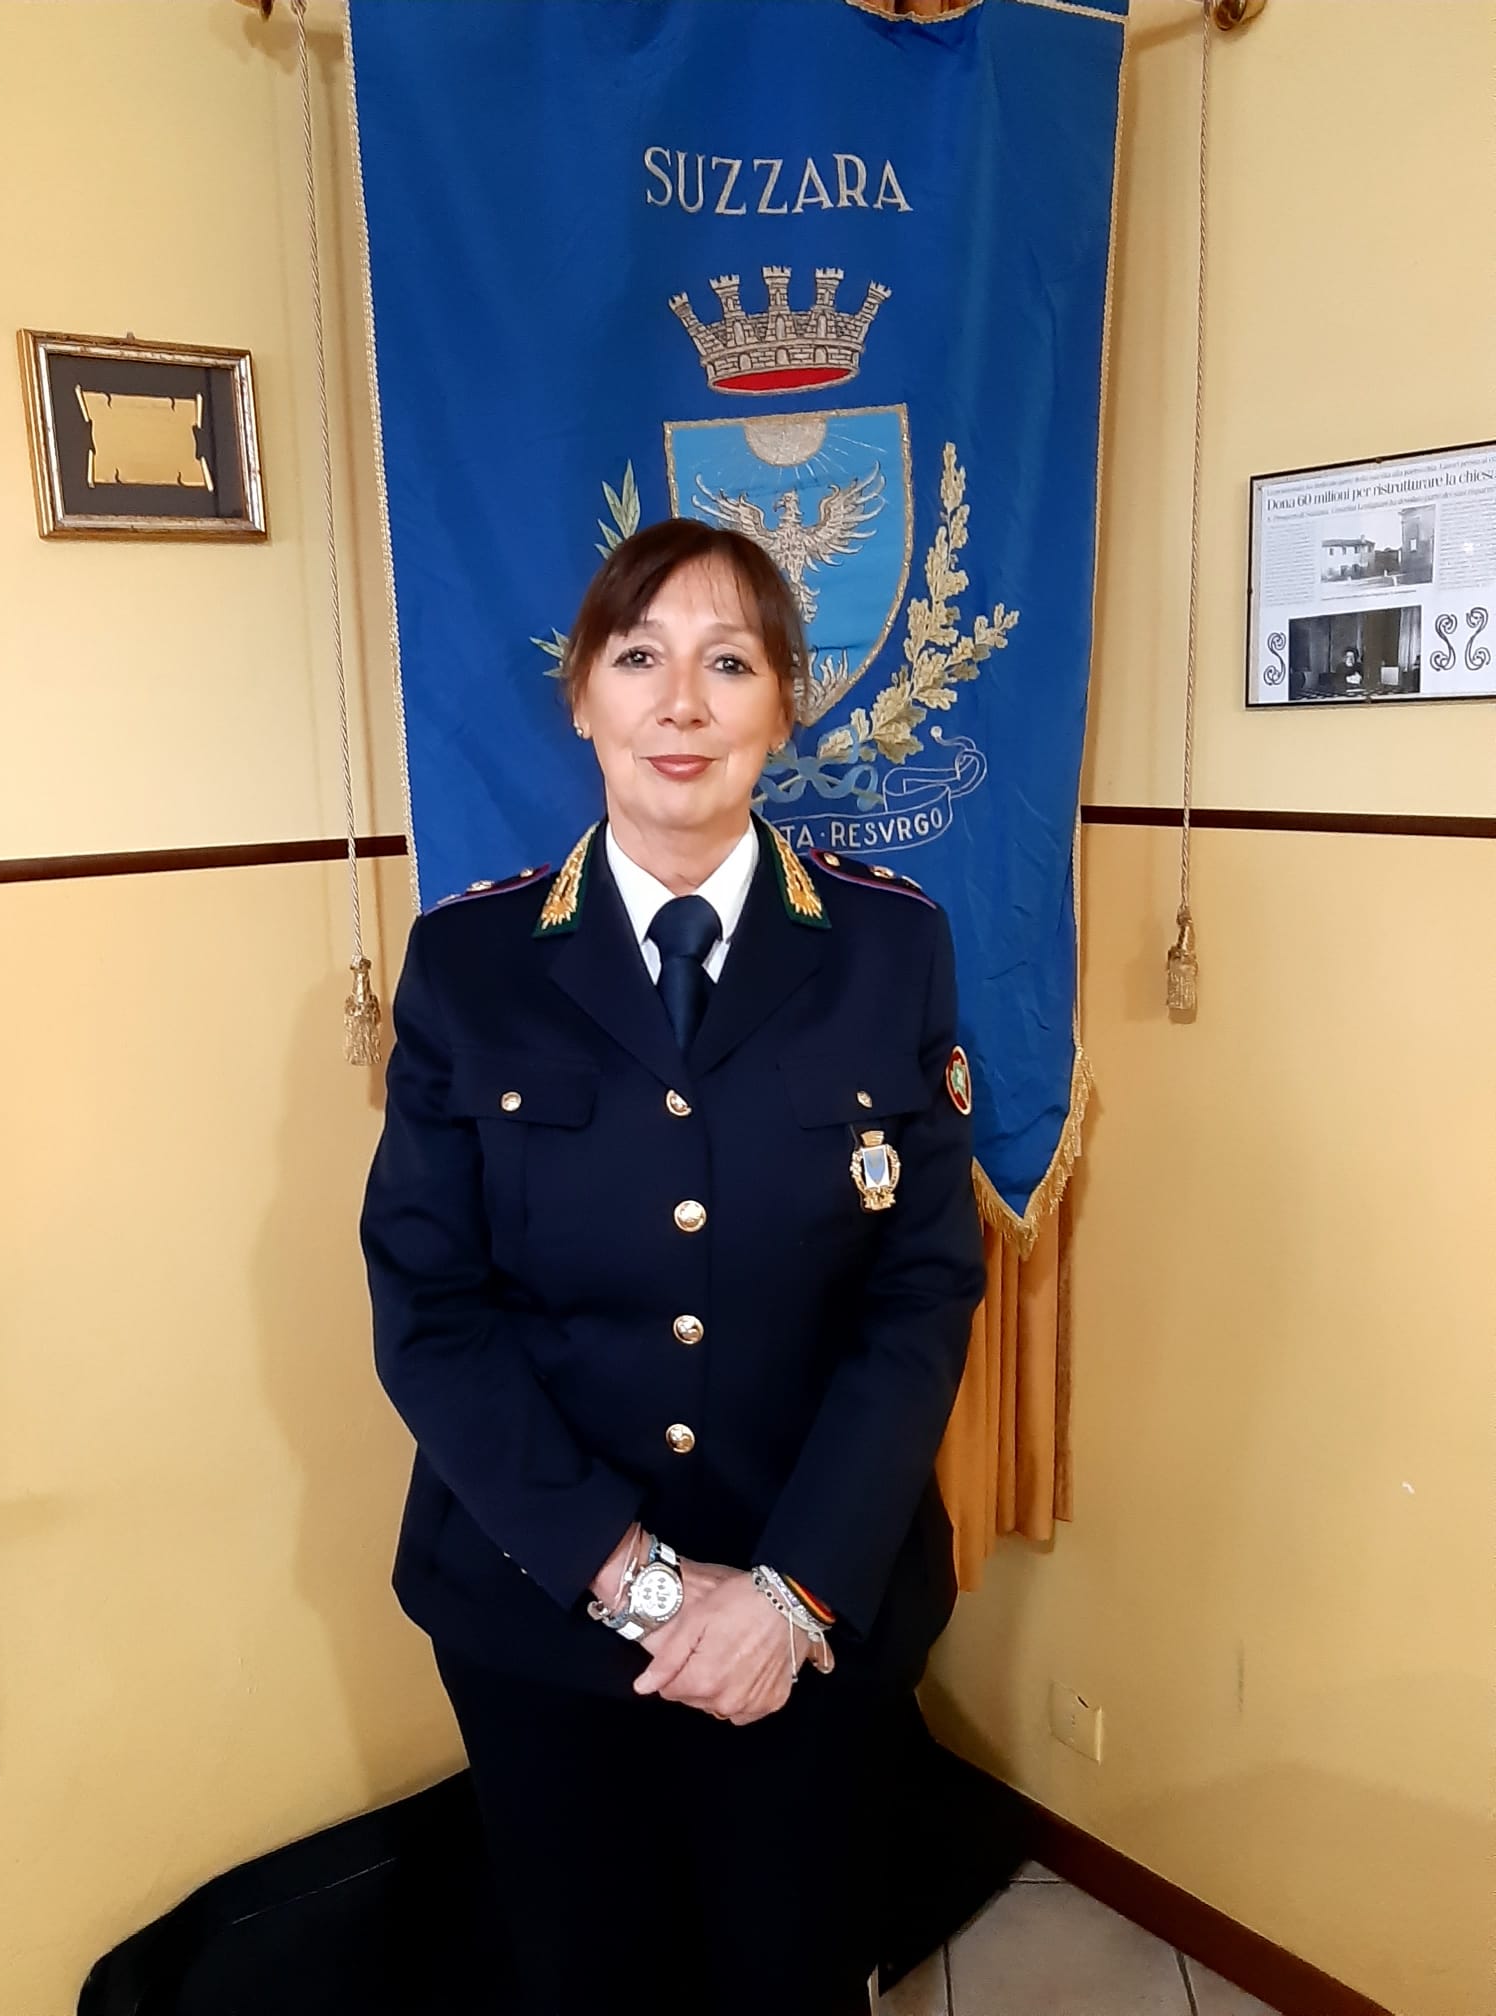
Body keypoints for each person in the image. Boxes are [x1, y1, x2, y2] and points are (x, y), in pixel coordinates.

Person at [361, 518, 986, 2016]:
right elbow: (429, 1308)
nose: (682, 705)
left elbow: (920, 1292)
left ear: (788, 705)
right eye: (640, 658)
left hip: (812, 1612)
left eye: (731, 663)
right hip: (543, 1607)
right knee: (591, 1976)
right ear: (582, 695)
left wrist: (789, 1596)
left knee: (794, 1973)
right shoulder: (471, 963)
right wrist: (634, 1582)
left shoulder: (889, 948)